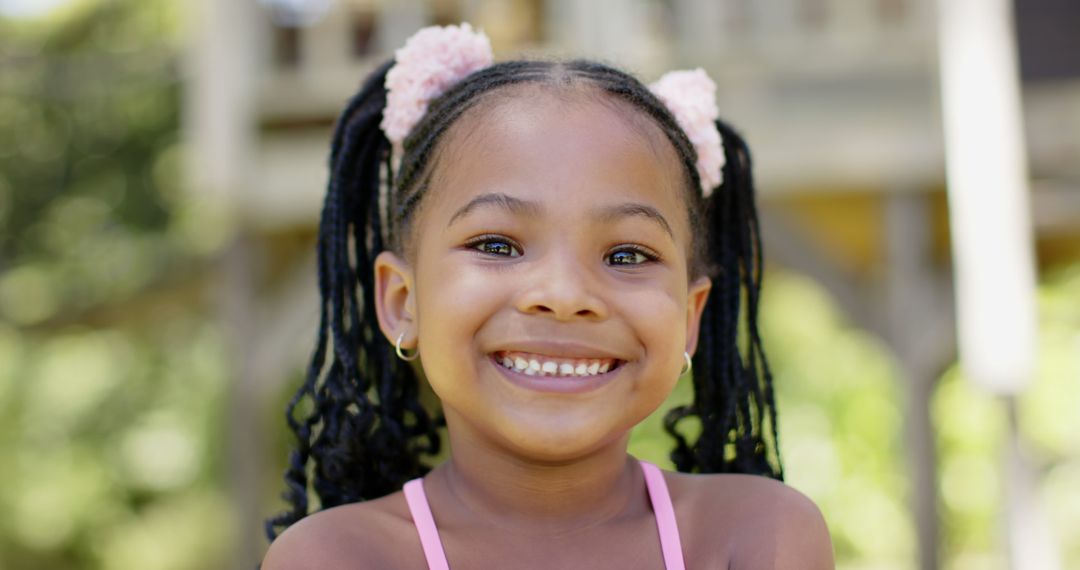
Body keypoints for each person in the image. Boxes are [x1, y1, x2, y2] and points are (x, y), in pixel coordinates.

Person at [261, 23, 833, 569]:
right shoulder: (338, 559)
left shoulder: (759, 536)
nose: (563, 295)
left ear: (689, 317)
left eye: (627, 255)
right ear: (401, 302)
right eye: (497, 245)